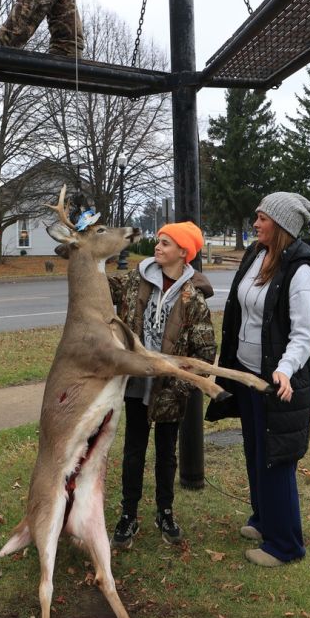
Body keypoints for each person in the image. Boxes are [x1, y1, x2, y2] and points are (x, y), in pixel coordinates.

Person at [207, 192, 310, 567]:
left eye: (263, 218)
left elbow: (304, 335)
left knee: (277, 458)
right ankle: (264, 520)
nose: (255, 223)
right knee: (256, 451)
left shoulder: (302, 272)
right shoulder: (257, 255)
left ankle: (285, 545)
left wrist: (285, 369)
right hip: (248, 374)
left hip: (277, 380)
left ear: (282, 225)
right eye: (256, 216)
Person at [108, 221, 216, 549]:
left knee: (167, 452)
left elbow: (205, 350)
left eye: (166, 243)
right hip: (137, 382)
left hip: (170, 389)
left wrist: (182, 387)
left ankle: (164, 511)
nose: (158, 246)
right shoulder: (135, 280)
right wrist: (86, 256)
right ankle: (128, 514)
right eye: (159, 241)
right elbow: (102, 289)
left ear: (183, 252)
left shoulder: (193, 297)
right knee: (134, 450)